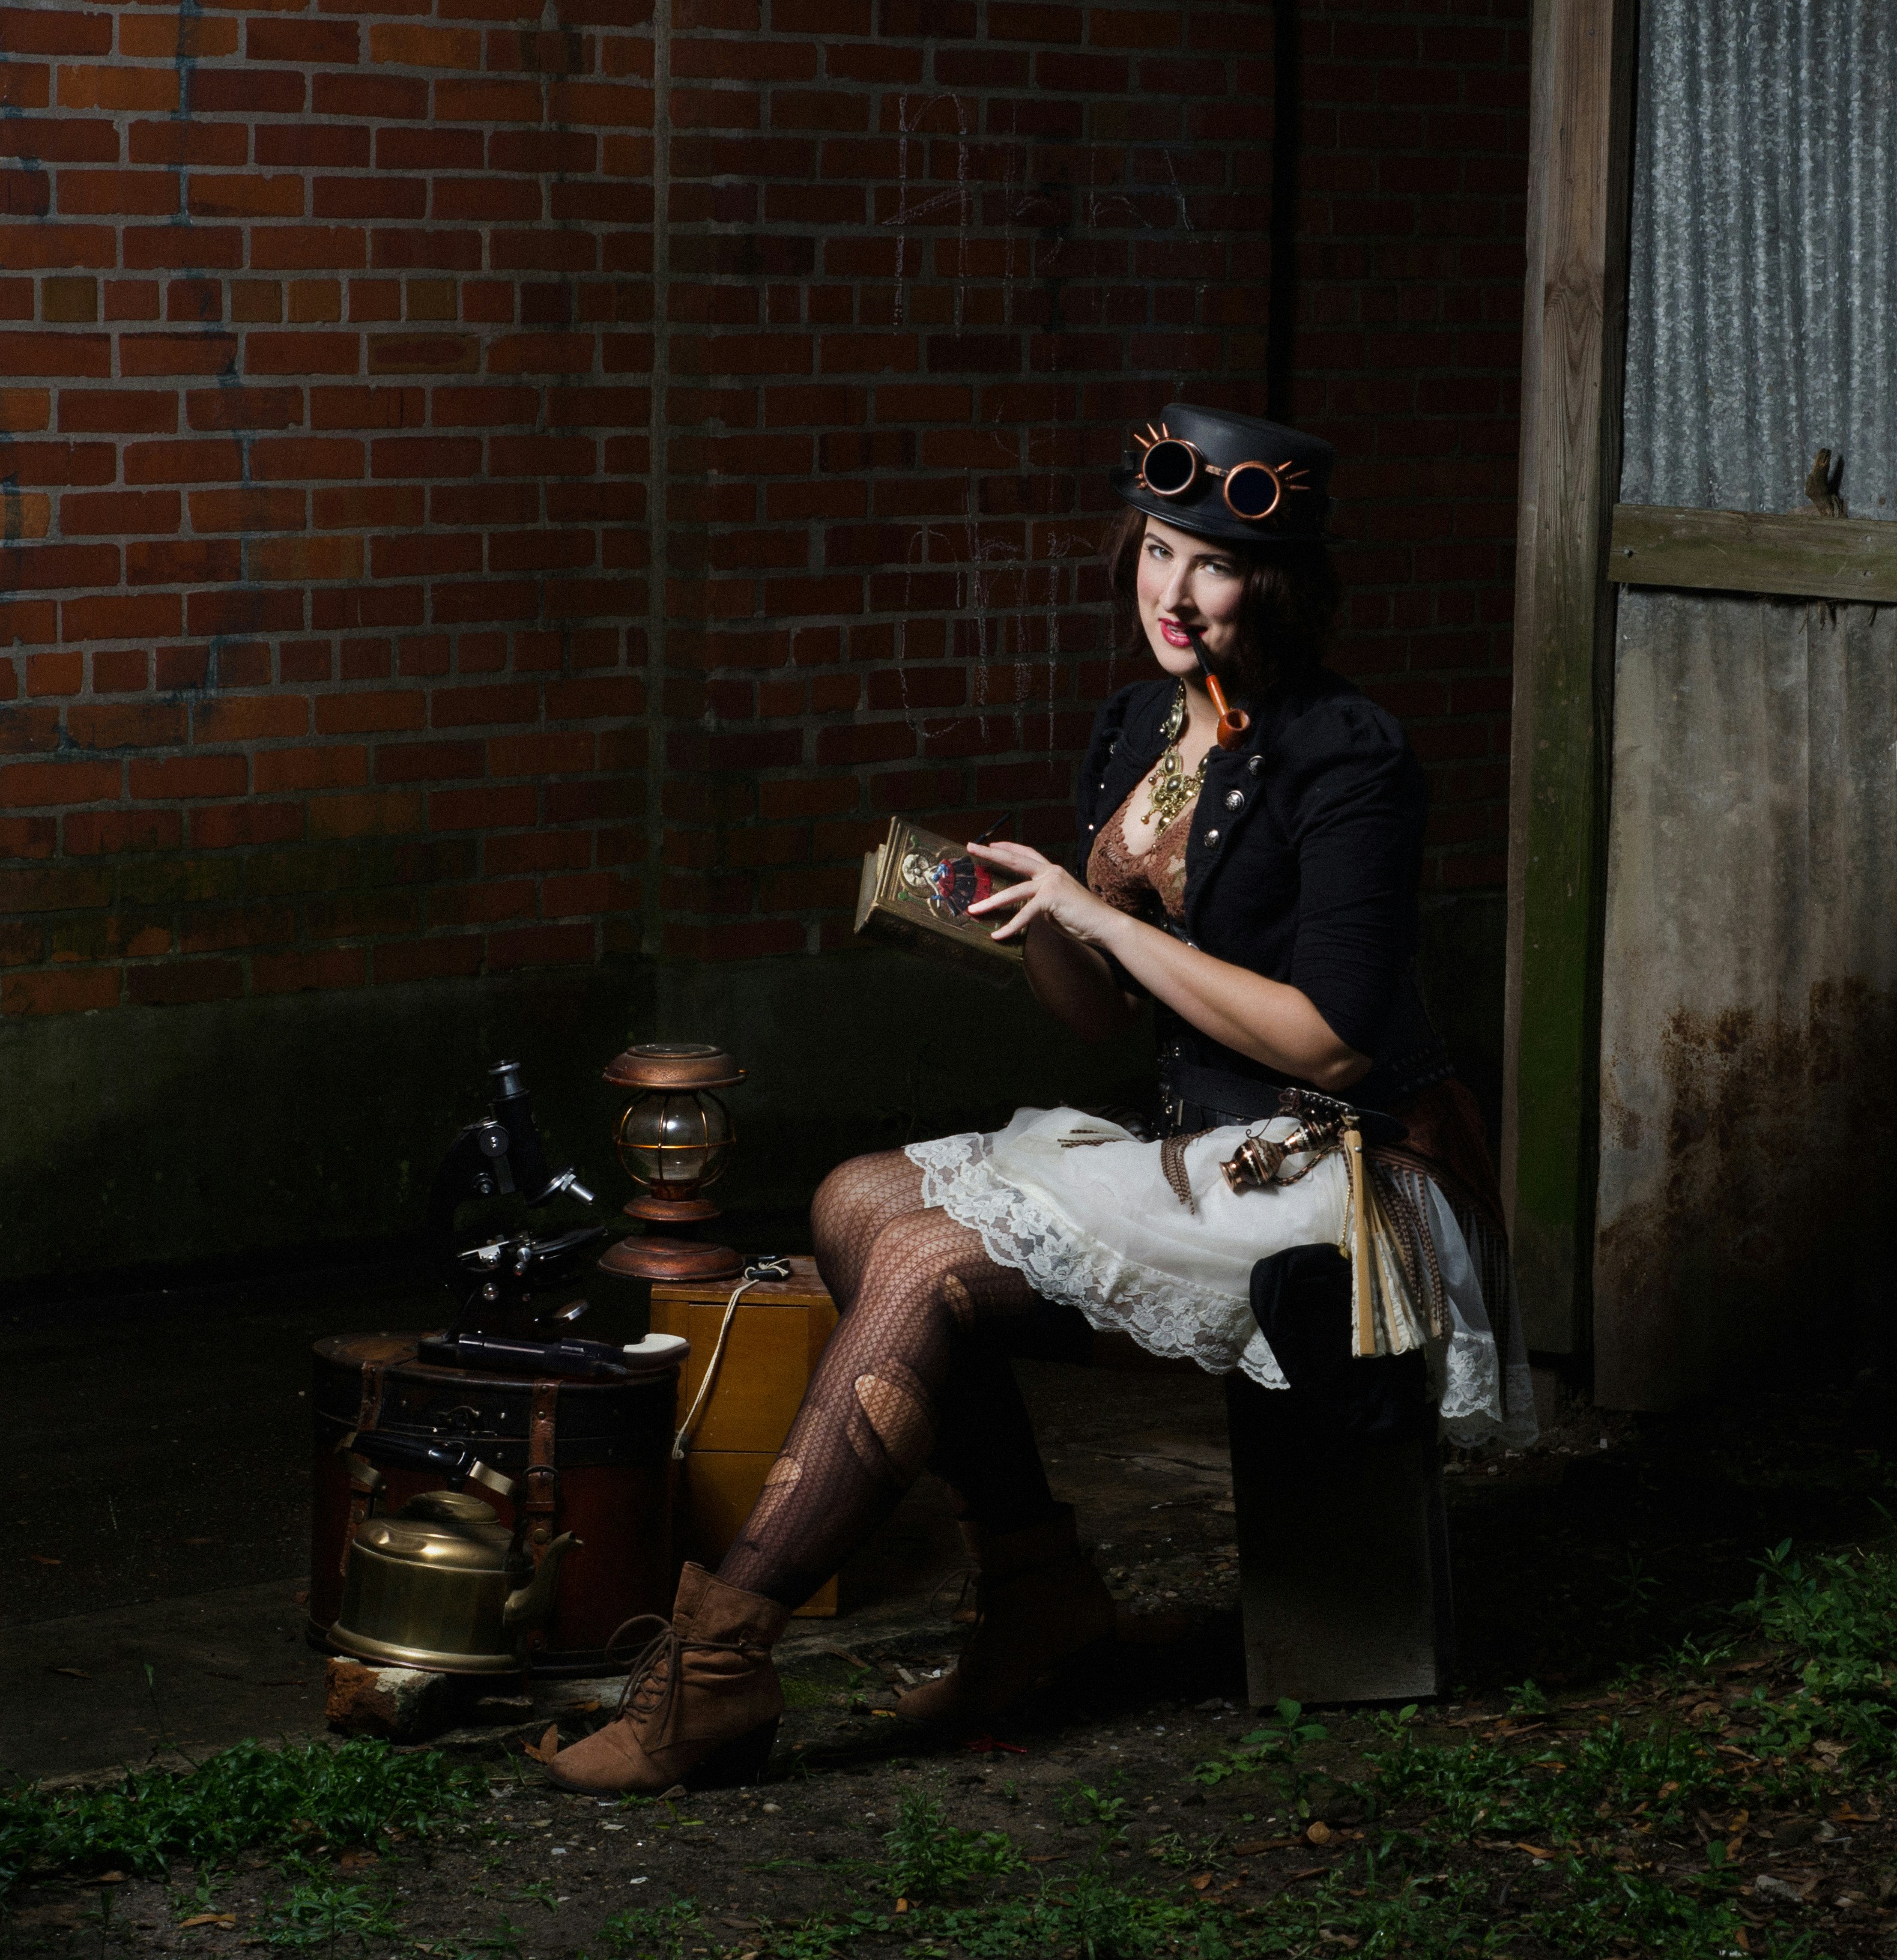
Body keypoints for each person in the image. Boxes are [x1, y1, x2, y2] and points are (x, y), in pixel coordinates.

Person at [548, 405, 1532, 1795]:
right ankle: (1036, 1586)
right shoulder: (1137, 724)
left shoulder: (1349, 755)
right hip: (1212, 1151)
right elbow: (1096, 1021)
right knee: (855, 1198)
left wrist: (1108, 915)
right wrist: (1044, 929)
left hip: (1351, 1178)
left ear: (1285, 585)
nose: (1175, 594)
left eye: (1217, 567)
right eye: (1159, 551)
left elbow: (1329, 1046)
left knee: (932, 1264)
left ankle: (718, 1661)